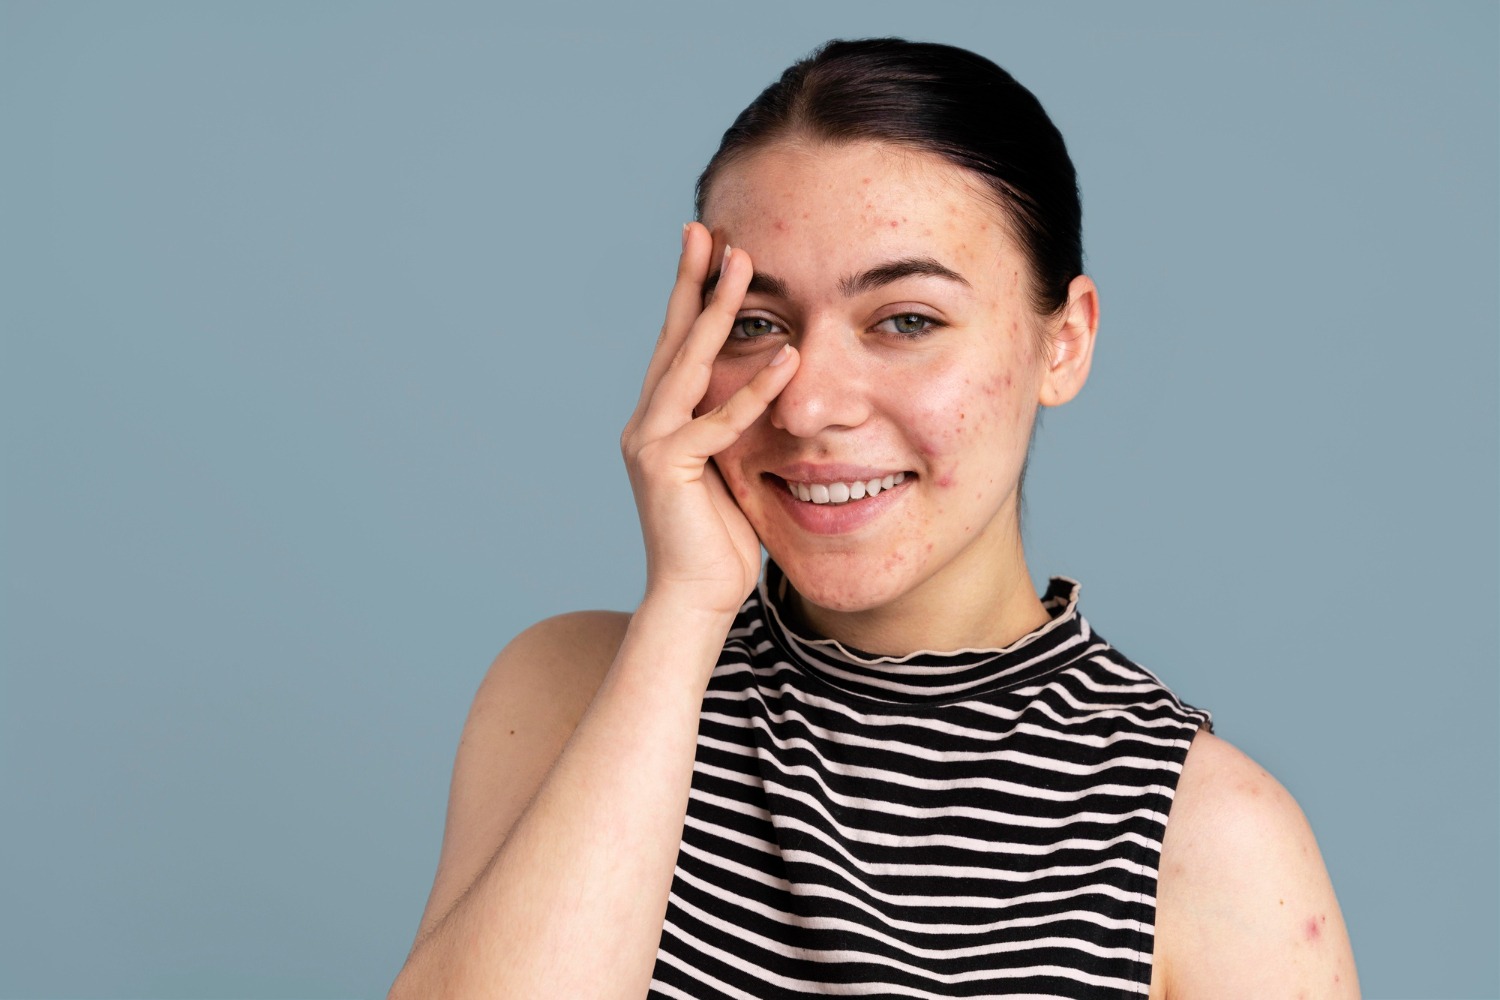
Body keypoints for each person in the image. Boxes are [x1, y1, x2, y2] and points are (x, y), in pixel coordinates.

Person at [389, 38, 1358, 999]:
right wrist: (683, 610)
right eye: (757, 323)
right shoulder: (573, 692)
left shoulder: (1211, 843)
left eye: (905, 320)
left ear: (1063, 343)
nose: (808, 406)